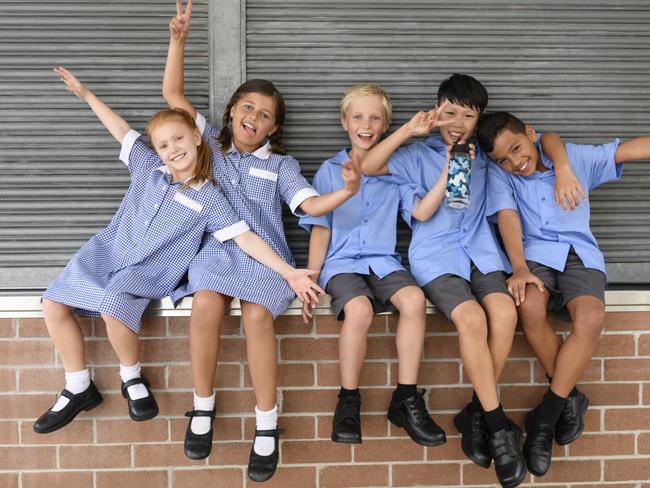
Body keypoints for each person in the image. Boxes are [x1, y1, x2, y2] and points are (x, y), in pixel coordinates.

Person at [34, 67, 321, 436]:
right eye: (164, 145)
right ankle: (77, 384)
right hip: (108, 250)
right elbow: (122, 131)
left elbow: (245, 237)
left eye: (180, 141)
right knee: (52, 303)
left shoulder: (210, 196)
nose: (173, 150)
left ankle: (131, 378)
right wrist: (88, 96)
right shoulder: (148, 167)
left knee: (113, 303)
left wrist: (288, 271)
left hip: (149, 268)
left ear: (200, 139)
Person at [163, 1, 361, 481]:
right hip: (218, 250)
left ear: (274, 127)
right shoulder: (208, 141)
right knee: (206, 303)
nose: (253, 116)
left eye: (265, 114)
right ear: (232, 110)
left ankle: (267, 424)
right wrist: (178, 41)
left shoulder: (281, 166)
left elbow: (310, 207)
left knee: (255, 316)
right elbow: (173, 95)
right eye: (247, 106)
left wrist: (346, 190)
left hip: (268, 257)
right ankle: (203, 406)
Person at [359, 74, 581, 488]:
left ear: (479, 120)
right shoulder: (415, 155)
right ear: (437, 109)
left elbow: (509, 206)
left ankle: (476, 411)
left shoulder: (485, 159)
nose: (458, 121)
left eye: (468, 115)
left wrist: (517, 266)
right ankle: (497, 427)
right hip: (437, 258)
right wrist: (412, 128)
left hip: (482, 254)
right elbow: (367, 165)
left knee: (503, 312)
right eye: (451, 112)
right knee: (474, 320)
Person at [477, 110, 649, 478]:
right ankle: (568, 399)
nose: (515, 162)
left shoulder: (570, 158)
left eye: (517, 149)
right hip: (536, 257)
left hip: (579, 256)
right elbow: (507, 217)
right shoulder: (501, 174)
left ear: (530, 133)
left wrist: (565, 168)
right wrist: (519, 268)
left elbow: (629, 150)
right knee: (530, 307)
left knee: (591, 317)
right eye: (503, 159)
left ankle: (547, 416)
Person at [299, 84, 449, 448]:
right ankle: (348, 400)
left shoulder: (395, 173)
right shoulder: (331, 170)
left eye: (375, 118)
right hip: (342, 263)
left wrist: (450, 169)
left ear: (385, 126)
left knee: (414, 301)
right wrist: (312, 275)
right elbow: (321, 228)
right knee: (360, 309)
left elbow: (420, 211)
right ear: (344, 122)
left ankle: (407, 398)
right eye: (358, 117)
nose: (366, 124)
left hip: (382, 261)